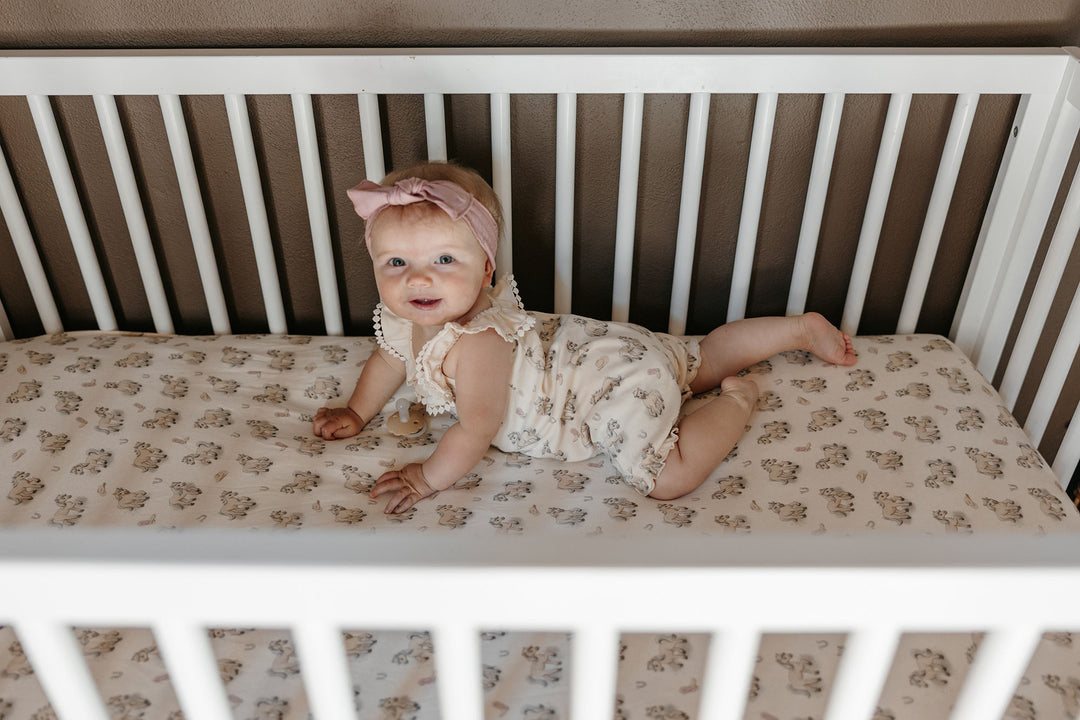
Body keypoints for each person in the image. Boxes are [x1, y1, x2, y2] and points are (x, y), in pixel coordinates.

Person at [313, 162, 857, 514]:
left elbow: (477, 429)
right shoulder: (407, 318)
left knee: (668, 478)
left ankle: (736, 403)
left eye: (444, 260)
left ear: (486, 272)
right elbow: (389, 359)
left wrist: (426, 479)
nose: (418, 278)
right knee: (701, 355)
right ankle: (796, 328)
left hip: (604, 390)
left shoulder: (480, 341)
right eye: (396, 262)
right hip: (606, 350)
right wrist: (359, 412)